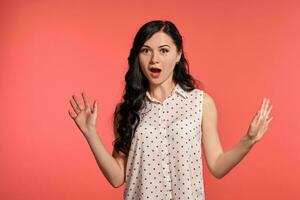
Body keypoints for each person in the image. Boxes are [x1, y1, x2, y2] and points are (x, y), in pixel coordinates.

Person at [68, 20, 273, 200]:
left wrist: (249, 140)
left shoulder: (201, 103)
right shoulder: (127, 110)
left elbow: (217, 166)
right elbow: (116, 177)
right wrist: (91, 134)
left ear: (178, 55)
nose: (154, 59)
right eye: (146, 50)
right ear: (138, 56)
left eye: (164, 50)